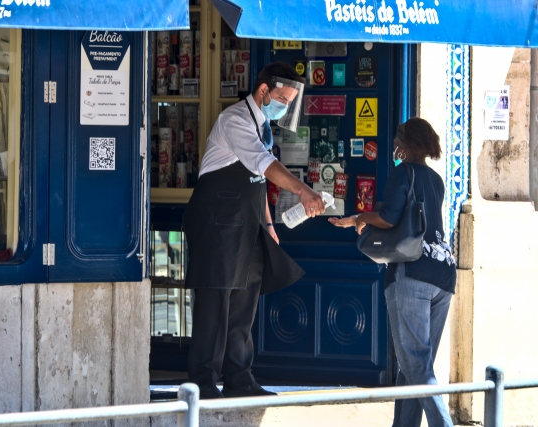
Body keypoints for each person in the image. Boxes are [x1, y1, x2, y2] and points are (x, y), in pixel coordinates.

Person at [183, 62, 325, 399]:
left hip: (248, 225)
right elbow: (265, 165)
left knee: (243, 306)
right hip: (216, 226)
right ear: (263, 91)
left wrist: (269, 224)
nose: (284, 107)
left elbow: (257, 181)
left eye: (289, 103)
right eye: (282, 99)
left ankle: (239, 379)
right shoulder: (234, 120)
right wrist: (303, 190)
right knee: (214, 305)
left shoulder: (263, 127)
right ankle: (203, 384)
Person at [329, 117, 456, 427]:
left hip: (411, 274)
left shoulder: (403, 172)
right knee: (414, 365)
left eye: (398, 138)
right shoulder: (437, 180)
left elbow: (388, 218)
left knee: (416, 365)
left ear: (407, 144)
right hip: (443, 274)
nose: (394, 143)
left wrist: (360, 218)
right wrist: (361, 218)